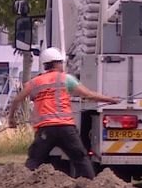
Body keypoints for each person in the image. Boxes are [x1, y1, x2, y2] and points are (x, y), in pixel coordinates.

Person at [7, 47, 119, 179]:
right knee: (80, 159)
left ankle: (20, 185)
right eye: (61, 62)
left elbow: (17, 99)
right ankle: (90, 186)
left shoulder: (35, 82)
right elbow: (88, 94)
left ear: (45, 65)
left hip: (45, 130)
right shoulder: (66, 79)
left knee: (34, 160)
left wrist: (11, 119)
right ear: (57, 63)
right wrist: (110, 99)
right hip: (66, 128)